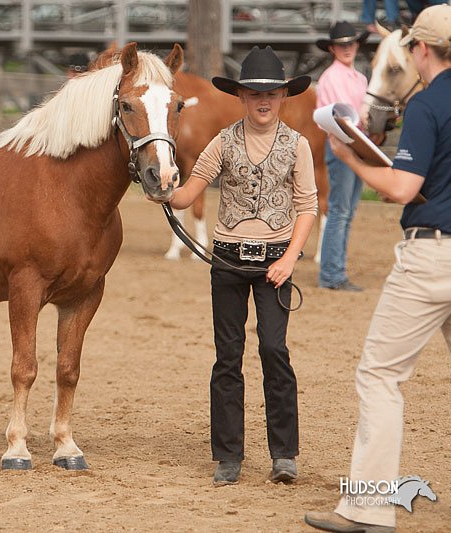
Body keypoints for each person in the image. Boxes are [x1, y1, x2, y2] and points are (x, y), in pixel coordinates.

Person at [305, 5, 451, 532]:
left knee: (380, 376)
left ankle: (369, 507)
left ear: (420, 50)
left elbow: (400, 189)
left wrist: (347, 156)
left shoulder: (428, 103)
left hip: (432, 255)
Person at [168, 46, 317, 487]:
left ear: (284, 96)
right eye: (254, 92)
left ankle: (284, 453)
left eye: (271, 92)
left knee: (275, 351)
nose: (263, 99)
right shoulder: (223, 141)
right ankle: (228, 455)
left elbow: (307, 206)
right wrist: (164, 188)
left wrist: (290, 258)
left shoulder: (298, 145)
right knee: (227, 359)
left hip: (276, 263)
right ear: (242, 97)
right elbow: (190, 190)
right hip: (229, 260)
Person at [315, 21, 369, 292]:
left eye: (350, 44)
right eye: (341, 45)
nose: (347, 48)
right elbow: (339, 117)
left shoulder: (360, 79)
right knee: (340, 209)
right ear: (333, 49)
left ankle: (335, 270)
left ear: (356, 45)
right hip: (342, 144)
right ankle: (331, 274)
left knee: (346, 210)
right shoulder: (331, 78)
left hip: (359, 145)